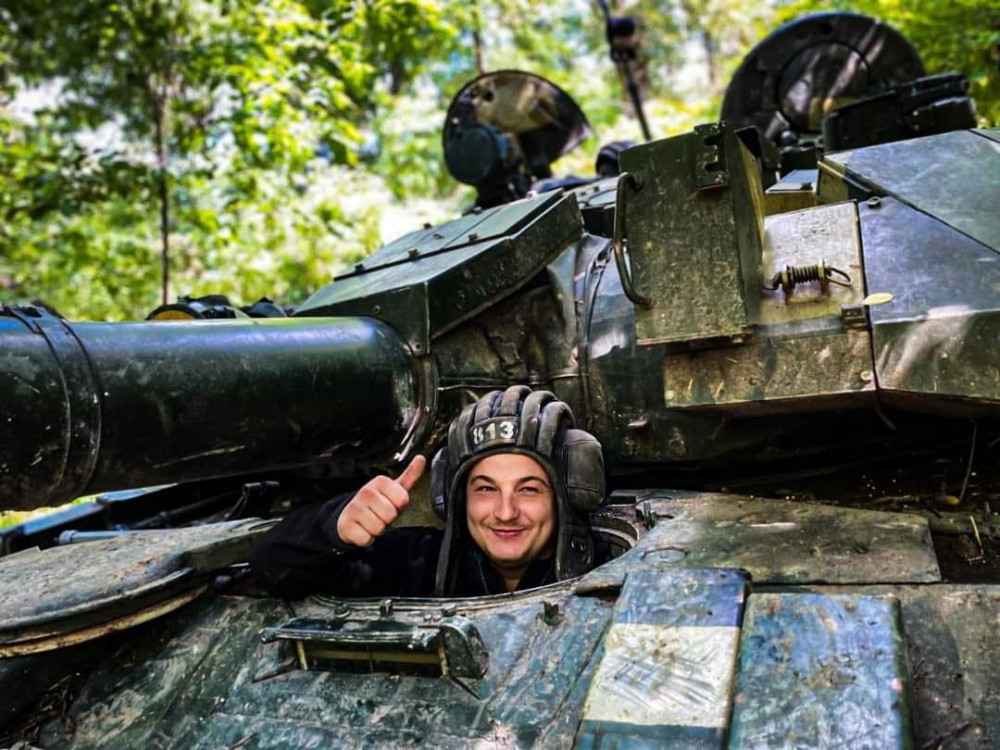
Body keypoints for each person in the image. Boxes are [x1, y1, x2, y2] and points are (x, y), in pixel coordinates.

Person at [250, 385, 606, 599]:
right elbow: (270, 568)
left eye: (529, 489)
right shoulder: (420, 564)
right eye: (485, 488)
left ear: (562, 497)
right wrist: (333, 525)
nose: (505, 512)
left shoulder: (607, 567)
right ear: (456, 497)